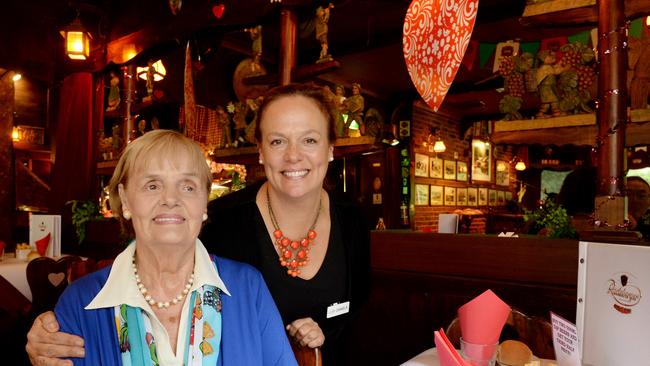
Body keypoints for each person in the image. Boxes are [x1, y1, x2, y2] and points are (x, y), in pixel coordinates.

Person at [26, 83, 371, 365]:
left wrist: (316, 336)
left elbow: (357, 308)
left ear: (330, 149)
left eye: (309, 139)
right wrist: (38, 338)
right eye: (278, 140)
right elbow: (155, 249)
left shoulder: (349, 220)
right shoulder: (224, 221)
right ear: (261, 151)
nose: (171, 199)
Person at [27, 130, 296, 365]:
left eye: (188, 187)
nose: (170, 199)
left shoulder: (248, 288)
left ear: (204, 202)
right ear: (125, 200)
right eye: (152, 185)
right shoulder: (80, 303)